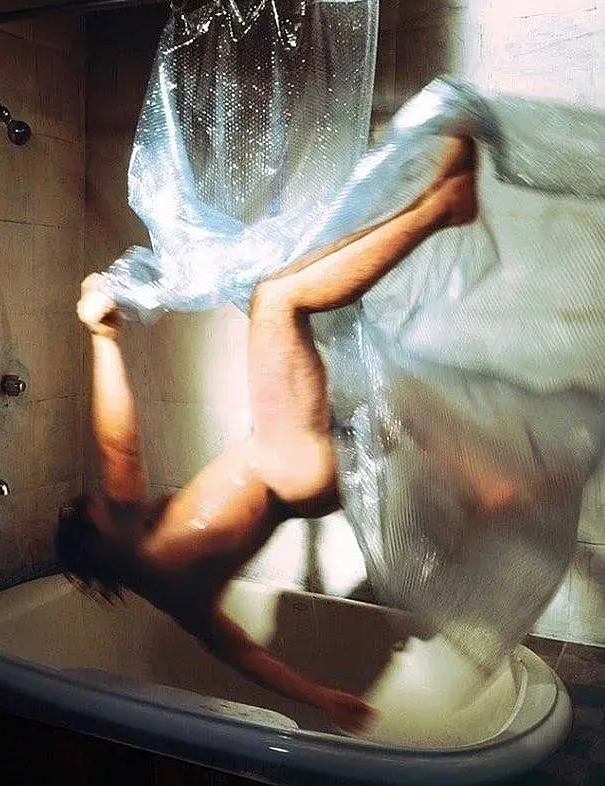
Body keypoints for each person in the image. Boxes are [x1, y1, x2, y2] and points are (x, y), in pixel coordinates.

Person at [58, 136, 478, 733]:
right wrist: (103, 338)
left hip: (305, 483)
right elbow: (117, 446)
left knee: (292, 284)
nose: (119, 500)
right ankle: (441, 208)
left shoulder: (171, 591)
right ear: (104, 546)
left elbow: (240, 653)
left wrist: (320, 698)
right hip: (288, 463)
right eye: (106, 508)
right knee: (278, 300)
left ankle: (489, 484)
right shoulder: (140, 542)